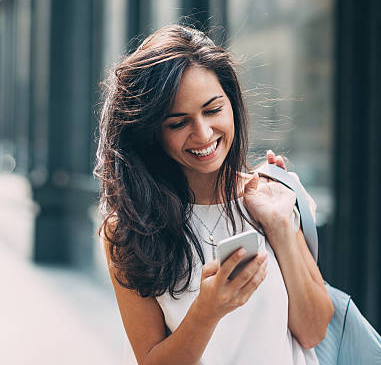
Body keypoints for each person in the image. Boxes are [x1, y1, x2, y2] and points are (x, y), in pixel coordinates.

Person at [94, 24, 334, 365]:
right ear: (152, 133)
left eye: (213, 110)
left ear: (231, 103)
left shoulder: (271, 196)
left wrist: (280, 225)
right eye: (178, 123)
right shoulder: (128, 229)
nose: (203, 134)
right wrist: (207, 310)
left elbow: (313, 331)